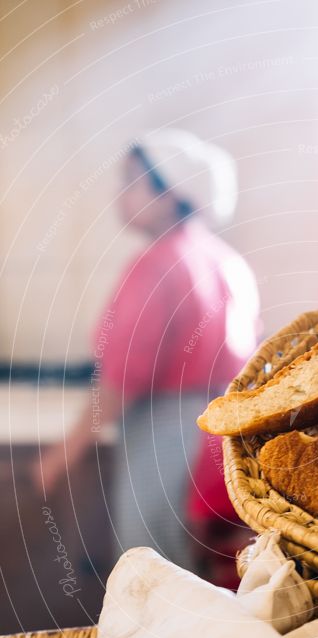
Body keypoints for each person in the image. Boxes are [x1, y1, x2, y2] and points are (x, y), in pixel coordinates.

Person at [35, 129, 259, 571]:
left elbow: (125, 374)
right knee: (197, 561)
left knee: (153, 565)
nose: (120, 194)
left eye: (132, 182)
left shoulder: (157, 262)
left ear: (170, 195)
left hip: (166, 429)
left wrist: (65, 451)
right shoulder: (226, 259)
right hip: (221, 428)